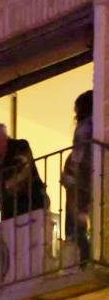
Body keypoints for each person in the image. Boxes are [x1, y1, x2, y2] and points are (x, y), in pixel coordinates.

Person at [0, 121, 49, 219]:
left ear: (3, 140)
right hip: (9, 214)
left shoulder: (20, 147)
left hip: (33, 205)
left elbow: (20, 170)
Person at [60, 90, 94, 264]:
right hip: (88, 179)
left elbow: (79, 156)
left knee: (76, 224)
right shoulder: (95, 123)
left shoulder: (84, 127)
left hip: (81, 180)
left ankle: (82, 258)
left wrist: (70, 177)